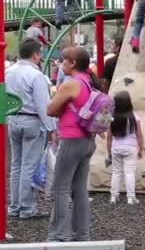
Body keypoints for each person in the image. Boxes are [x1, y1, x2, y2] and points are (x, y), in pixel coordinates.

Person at [46, 46, 103, 242]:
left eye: (64, 60)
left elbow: (50, 109)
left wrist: (60, 108)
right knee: (79, 189)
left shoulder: (70, 84)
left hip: (71, 139)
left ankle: (58, 235)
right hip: (87, 140)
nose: (61, 63)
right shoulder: (89, 83)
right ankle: (81, 235)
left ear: (73, 63)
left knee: (60, 188)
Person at [6, 38, 57, 219]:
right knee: (29, 165)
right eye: (40, 53)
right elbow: (43, 105)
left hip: (13, 119)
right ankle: (27, 207)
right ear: (35, 55)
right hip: (32, 121)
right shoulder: (36, 76)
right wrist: (51, 129)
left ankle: (14, 206)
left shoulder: (8, 72)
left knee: (16, 165)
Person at [107, 91, 144, 205]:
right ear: (129, 103)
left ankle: (114, 197)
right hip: (130, 148)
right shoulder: (134, 116)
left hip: (116, 148)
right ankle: (130, 198)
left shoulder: (111, 116)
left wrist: (109, 151)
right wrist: (141, 148)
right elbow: (139, 135)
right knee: (129, 173)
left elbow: (109, 136)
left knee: (116, 172)